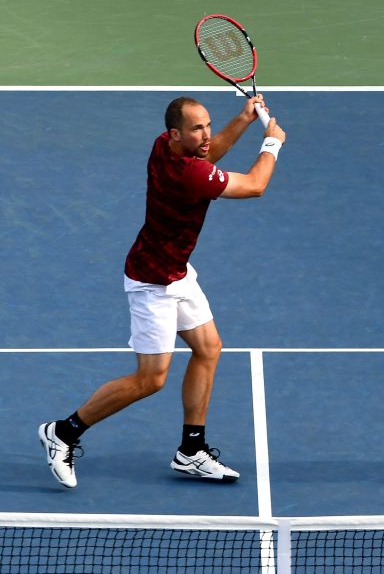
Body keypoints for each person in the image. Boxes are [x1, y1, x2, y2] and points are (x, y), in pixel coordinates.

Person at [39, 95, 286, 488]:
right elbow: (255, 186)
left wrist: (241, 119)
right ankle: (63, 432)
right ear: (176, 133)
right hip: (152, 284)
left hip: (177, 272)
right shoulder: (187, 175)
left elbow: (209, 156)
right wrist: (271, 142)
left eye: (207, 124)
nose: (206, 134)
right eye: (197, 128)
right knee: (150, 380)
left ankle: (191, 451)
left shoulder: (164, 145)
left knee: (208, 349)